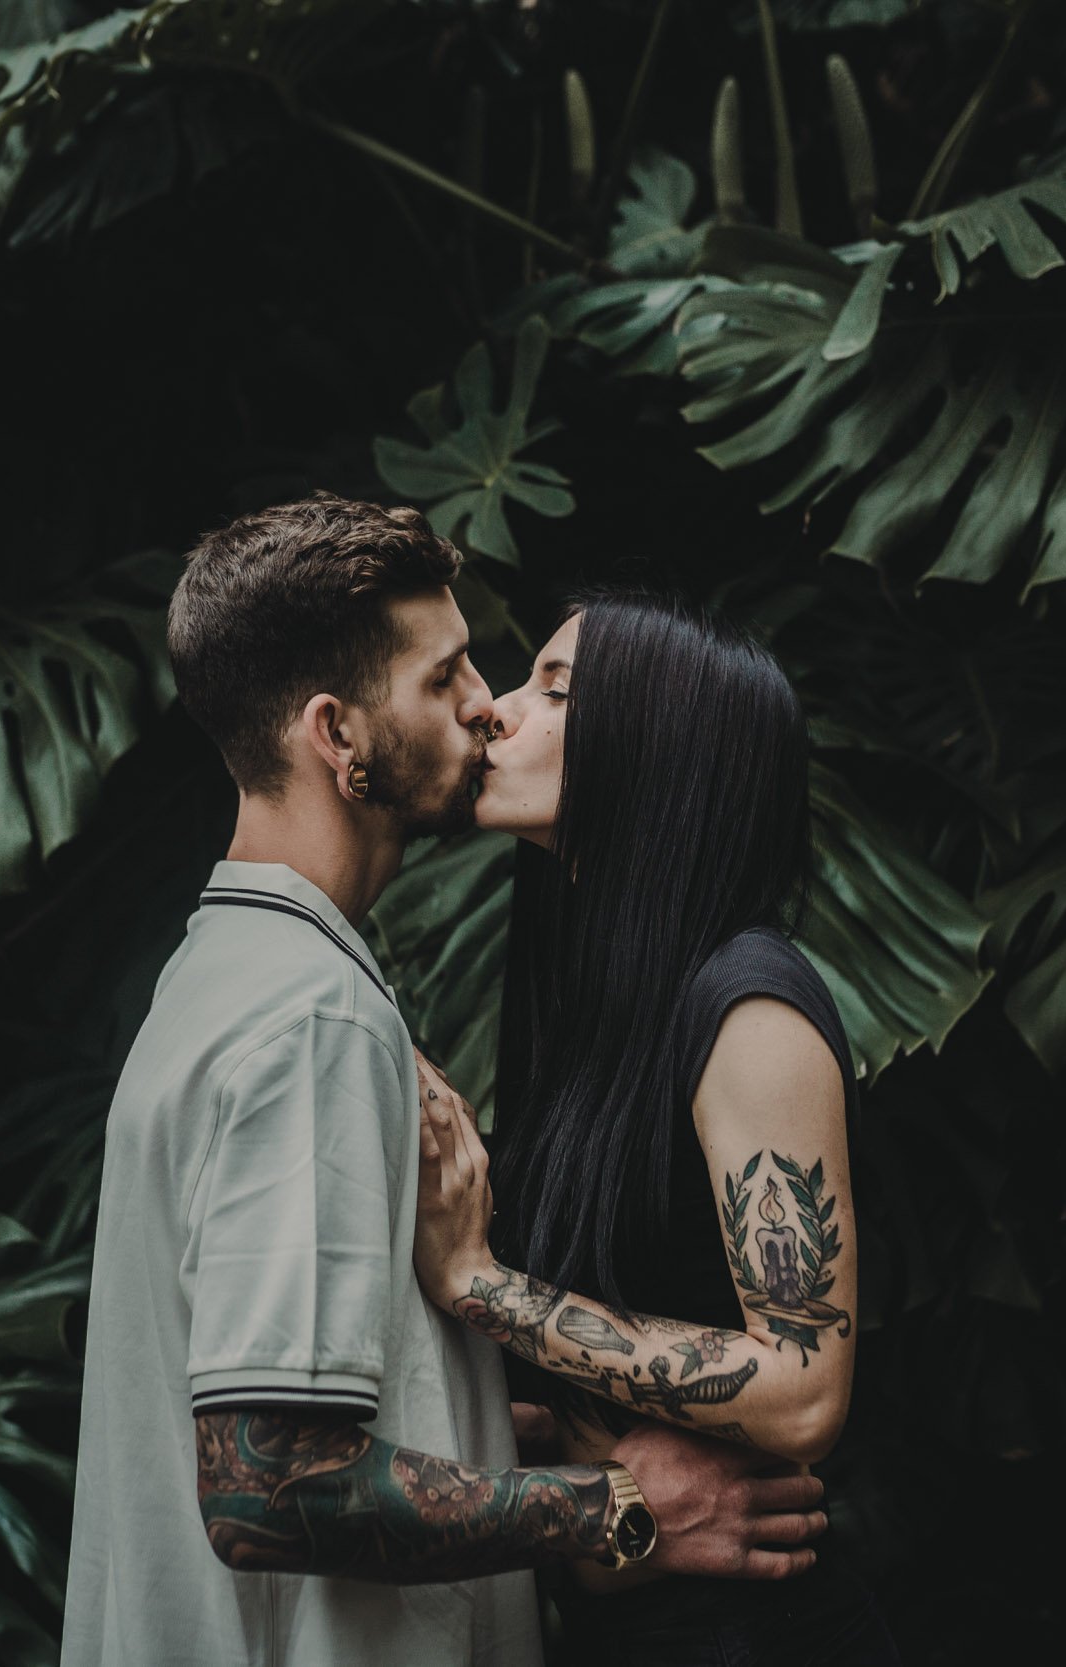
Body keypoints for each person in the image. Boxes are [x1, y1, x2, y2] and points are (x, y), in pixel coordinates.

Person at [61, 500, 831, 1667]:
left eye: (533, 681)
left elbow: (348, 1395)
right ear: (338, 734)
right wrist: (609, 1507)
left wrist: (505, 1384)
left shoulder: (235, 975)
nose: (489, 701)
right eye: (447, 676)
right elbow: (271, 1480)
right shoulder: (307, 1018)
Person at [413, 592, 904, 1665]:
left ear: (656, 748)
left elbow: (802, 1384)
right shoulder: (595, 1003)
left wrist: (481, 1284)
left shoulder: (748, 1009)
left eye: (555, 689)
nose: (495, 712)